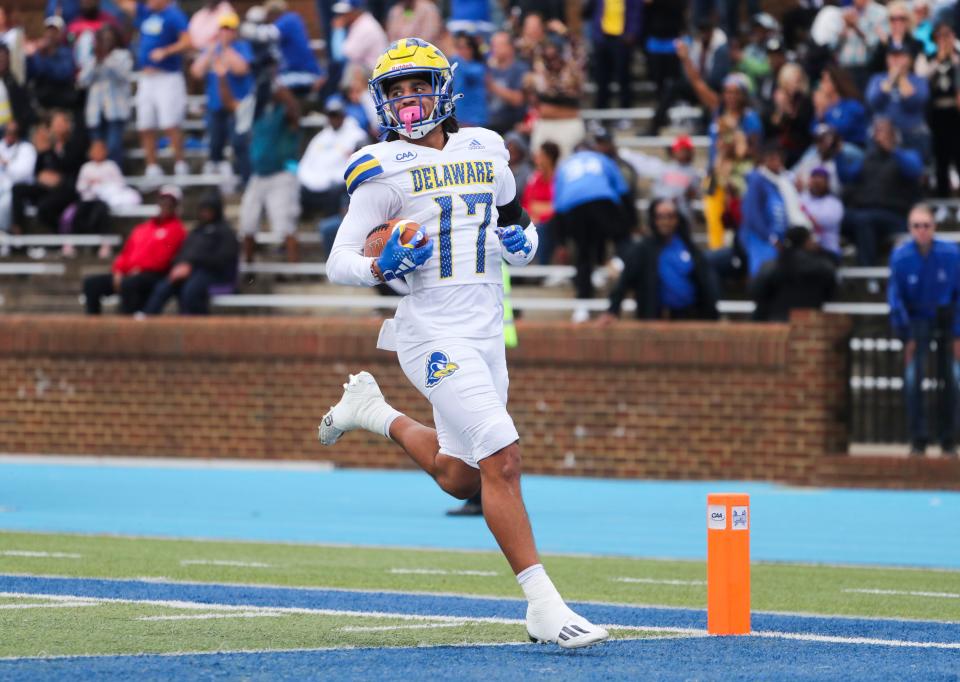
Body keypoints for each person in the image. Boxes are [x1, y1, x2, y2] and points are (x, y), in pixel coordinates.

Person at [319, 37, 608, 649]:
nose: (407, 99)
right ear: (381, 101)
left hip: (484, 329)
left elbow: (511, 212)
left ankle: (374, 413)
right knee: (503, 456)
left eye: (416, 85)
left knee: (463, 475)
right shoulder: (379, 167)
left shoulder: (485, 146)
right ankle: (544, 606)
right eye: (395, 91)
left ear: (443, 88)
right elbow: (339, 260)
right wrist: (381, 264)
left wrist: (522, 237)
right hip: (429, 331)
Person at [887, 202, 960, 457]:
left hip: (946, 320)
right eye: (916, 226)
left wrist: (958, 334)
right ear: (909, 228)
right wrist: (905, 334)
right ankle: (918, 440)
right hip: (916, 321)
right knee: (912, 381)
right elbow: (895, 298)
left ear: (934, 227)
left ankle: (948, 440)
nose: (921, 231)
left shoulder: (951, 253)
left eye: (926, 226)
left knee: (952, 379)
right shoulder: (901, 256)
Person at [598, 197, 719, 323]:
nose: (665, 221)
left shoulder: (689, 248)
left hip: (688, 317)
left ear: (677, 219)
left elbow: (705, 283)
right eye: (660, 216)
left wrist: (711, 313)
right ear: (654, 219)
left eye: (670, 216)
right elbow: (625, 281)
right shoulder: (644, 249)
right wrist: (612, 310)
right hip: (656, 318)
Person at [82, 184, 185, 315]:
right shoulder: (142, 228)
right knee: (91, 284)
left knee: (130, 284)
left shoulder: (177, 230)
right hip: (129, 273)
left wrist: (139, 269)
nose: (165, 205)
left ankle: (128, 325)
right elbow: (126, 252)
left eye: (170, 202)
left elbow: (163, 259)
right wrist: (118, 270)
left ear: (176, 206)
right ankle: (93, 325)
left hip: (153, 275)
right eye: (163, 201)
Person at [552, 144, 632, 303]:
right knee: (621, 240)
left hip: (573, 207)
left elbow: (558, 206)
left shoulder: (564, 166)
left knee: (583, 253)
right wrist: (631, 223)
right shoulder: (602, 159)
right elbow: (623, 190)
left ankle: (583, 300)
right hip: (601, 201)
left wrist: (561, 241)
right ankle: (622, 264)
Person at [122, 0, 192, 181]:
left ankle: (180, 164)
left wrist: (166, 51)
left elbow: (187, 41)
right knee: (145, 124)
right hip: (146, 78)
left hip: (167, 77)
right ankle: (152, 167)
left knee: (170, 123)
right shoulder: (146, 13)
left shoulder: (174, 15)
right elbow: (124, 4)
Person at [841, 116, 923, 266]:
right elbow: (847, 177)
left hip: (894, 214)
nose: (879, 134)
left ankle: (866, 274)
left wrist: (893, 150)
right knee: (838, 216)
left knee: (864, 220)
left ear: (894, 133)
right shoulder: (867, 157)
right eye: (877, 130)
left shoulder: (907, 155)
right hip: (863, 210)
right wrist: (838, 153)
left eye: (883, 130)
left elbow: (915, 171)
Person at [143, 189, 239, 315]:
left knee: (191, 290)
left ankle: (199, 328)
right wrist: (180, 266)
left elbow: (224, 260)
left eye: (209, 210)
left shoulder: (226, 232)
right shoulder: (196, 231)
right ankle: (146, 319)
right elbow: (182, 253)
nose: (205, 213)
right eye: (203, 210)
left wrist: (193, 265)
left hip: (215, 274)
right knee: (164, 287)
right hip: (192, 272)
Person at [298, 94, 368, 254]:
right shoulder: (321, 137)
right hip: (315, 186)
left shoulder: (356, 135)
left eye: (337, 114)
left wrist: (330, 181)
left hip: (340, 188)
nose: (334, 118)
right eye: (331, 115)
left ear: (343, 115)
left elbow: (355, 168)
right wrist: (315, 181)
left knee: (337, 193)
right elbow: (305, 164)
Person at [190, 11, 253, 184]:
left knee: (240, 143)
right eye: (223, 29)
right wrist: (211, 51)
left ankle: (243, 177)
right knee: (215, 142)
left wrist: (226, 49)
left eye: (229, 29)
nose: (225, 33)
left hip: (237, 105)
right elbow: (196, 71)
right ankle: (218, 175)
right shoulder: (211, 48)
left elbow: (241, 68)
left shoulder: (242, 47)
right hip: (216, 105)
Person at [739, 143, 812, 277]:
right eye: (772, 158)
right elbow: (751, 214)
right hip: (760, 238)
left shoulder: (783, 181)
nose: (777, 162)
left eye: (779, 158)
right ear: (764, 160)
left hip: (779, 238)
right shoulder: (757, 180)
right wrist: (770, 237)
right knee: (764, 273)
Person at [11, 110, 86, 234]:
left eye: (61, 123)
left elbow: (72, 168)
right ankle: (17, 229)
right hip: (47, 188)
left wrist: (59, 178)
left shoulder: (75, 145)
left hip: (67, 188)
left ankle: (62, 233)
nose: (58, 127)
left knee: (45, 206)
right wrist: (41, 176)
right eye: (55, 123)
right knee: (17, 189)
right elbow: (38, 171)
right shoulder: (48, 148)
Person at [749, 225, 837, 322]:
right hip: (810, 324)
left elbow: (756, 292)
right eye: (811, 239)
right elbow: (831, 293)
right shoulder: (824, 266)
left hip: (776, 323)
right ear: (807, 241)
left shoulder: (772, 266)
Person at [76, 24, 131, 168]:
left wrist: (106, 59)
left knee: (113, 149)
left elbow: (123, 75)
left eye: (109, 38)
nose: (106, 42)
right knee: (97, 151)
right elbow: (82, 81)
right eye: (103, 39)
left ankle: (114, 179)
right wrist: (96, 61)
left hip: (115, 111)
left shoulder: (122, 55)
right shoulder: (92, 58)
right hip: (95, 112)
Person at [865, 44, 930, 159]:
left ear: (909, 60)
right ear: (887, 59)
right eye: (893, 56)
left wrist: (901, 78)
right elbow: (873, 101)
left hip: (911, 134)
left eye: (901, 56)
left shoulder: (918, 80)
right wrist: (891, 79)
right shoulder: (877, 79)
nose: (896, 60)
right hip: (883, 136)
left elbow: (915, 103)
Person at [589, 0, 642, 111]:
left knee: (623, 77)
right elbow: (593, 10)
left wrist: (631, 34)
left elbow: (636, 13)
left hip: (622, 39)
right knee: (602, 77)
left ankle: (625, 111)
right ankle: (601, 111)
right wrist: (596, 34)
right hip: (602, 38)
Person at [26, 16, 77, 111]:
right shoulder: (39, 52)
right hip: (42, 103)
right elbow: (32, 74)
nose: (51, 34)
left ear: (61, 34)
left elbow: (63, 74)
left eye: (55, 31)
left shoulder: (66, 53)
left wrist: (45, 57)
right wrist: (29, 57)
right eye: (48, 30)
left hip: (62, 103)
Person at [485, 30, 529, 135]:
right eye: (493, 45)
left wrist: (493, 87)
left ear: (510, 47)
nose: (494, 49)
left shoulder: (520, 69)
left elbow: (518, 99)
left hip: (512, 125)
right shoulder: (489, 70)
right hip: (489, 124)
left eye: (498, 45)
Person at [799, 166, 844, 263]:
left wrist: (805, 216)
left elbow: (825, 221)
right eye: (814, 179)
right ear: (809, 181)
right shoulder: (801, 198)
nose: (817, 183)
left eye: (821, 180)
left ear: (827, 183)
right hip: (804, 250)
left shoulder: (834, 203)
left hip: (827, 250)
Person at [0, 119, 35, 234]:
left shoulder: (27, 149)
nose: (9, 135)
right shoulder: (1, 146)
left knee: (4, 204)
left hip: (17, 190)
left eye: (13, 132)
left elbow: (25, 174)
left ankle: (3, 232)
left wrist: (6, 163)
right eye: (7, 131)